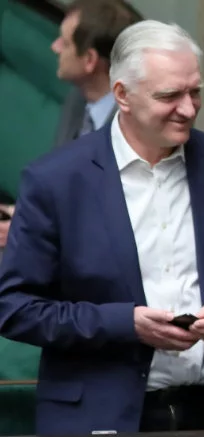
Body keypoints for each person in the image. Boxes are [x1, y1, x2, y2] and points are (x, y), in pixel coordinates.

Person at [0, 21, 204, 435]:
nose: (189, 108)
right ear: (122, 95)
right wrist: (124, 323)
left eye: (195, 92)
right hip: (96, 423)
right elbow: (15, 308)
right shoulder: (56, 180)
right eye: (170, 95)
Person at [0, 0, 141, 253]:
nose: (54, 47)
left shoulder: (136, 137)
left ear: (89, 60)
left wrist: (33, 234)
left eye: (64, 43)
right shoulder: (78, 100)